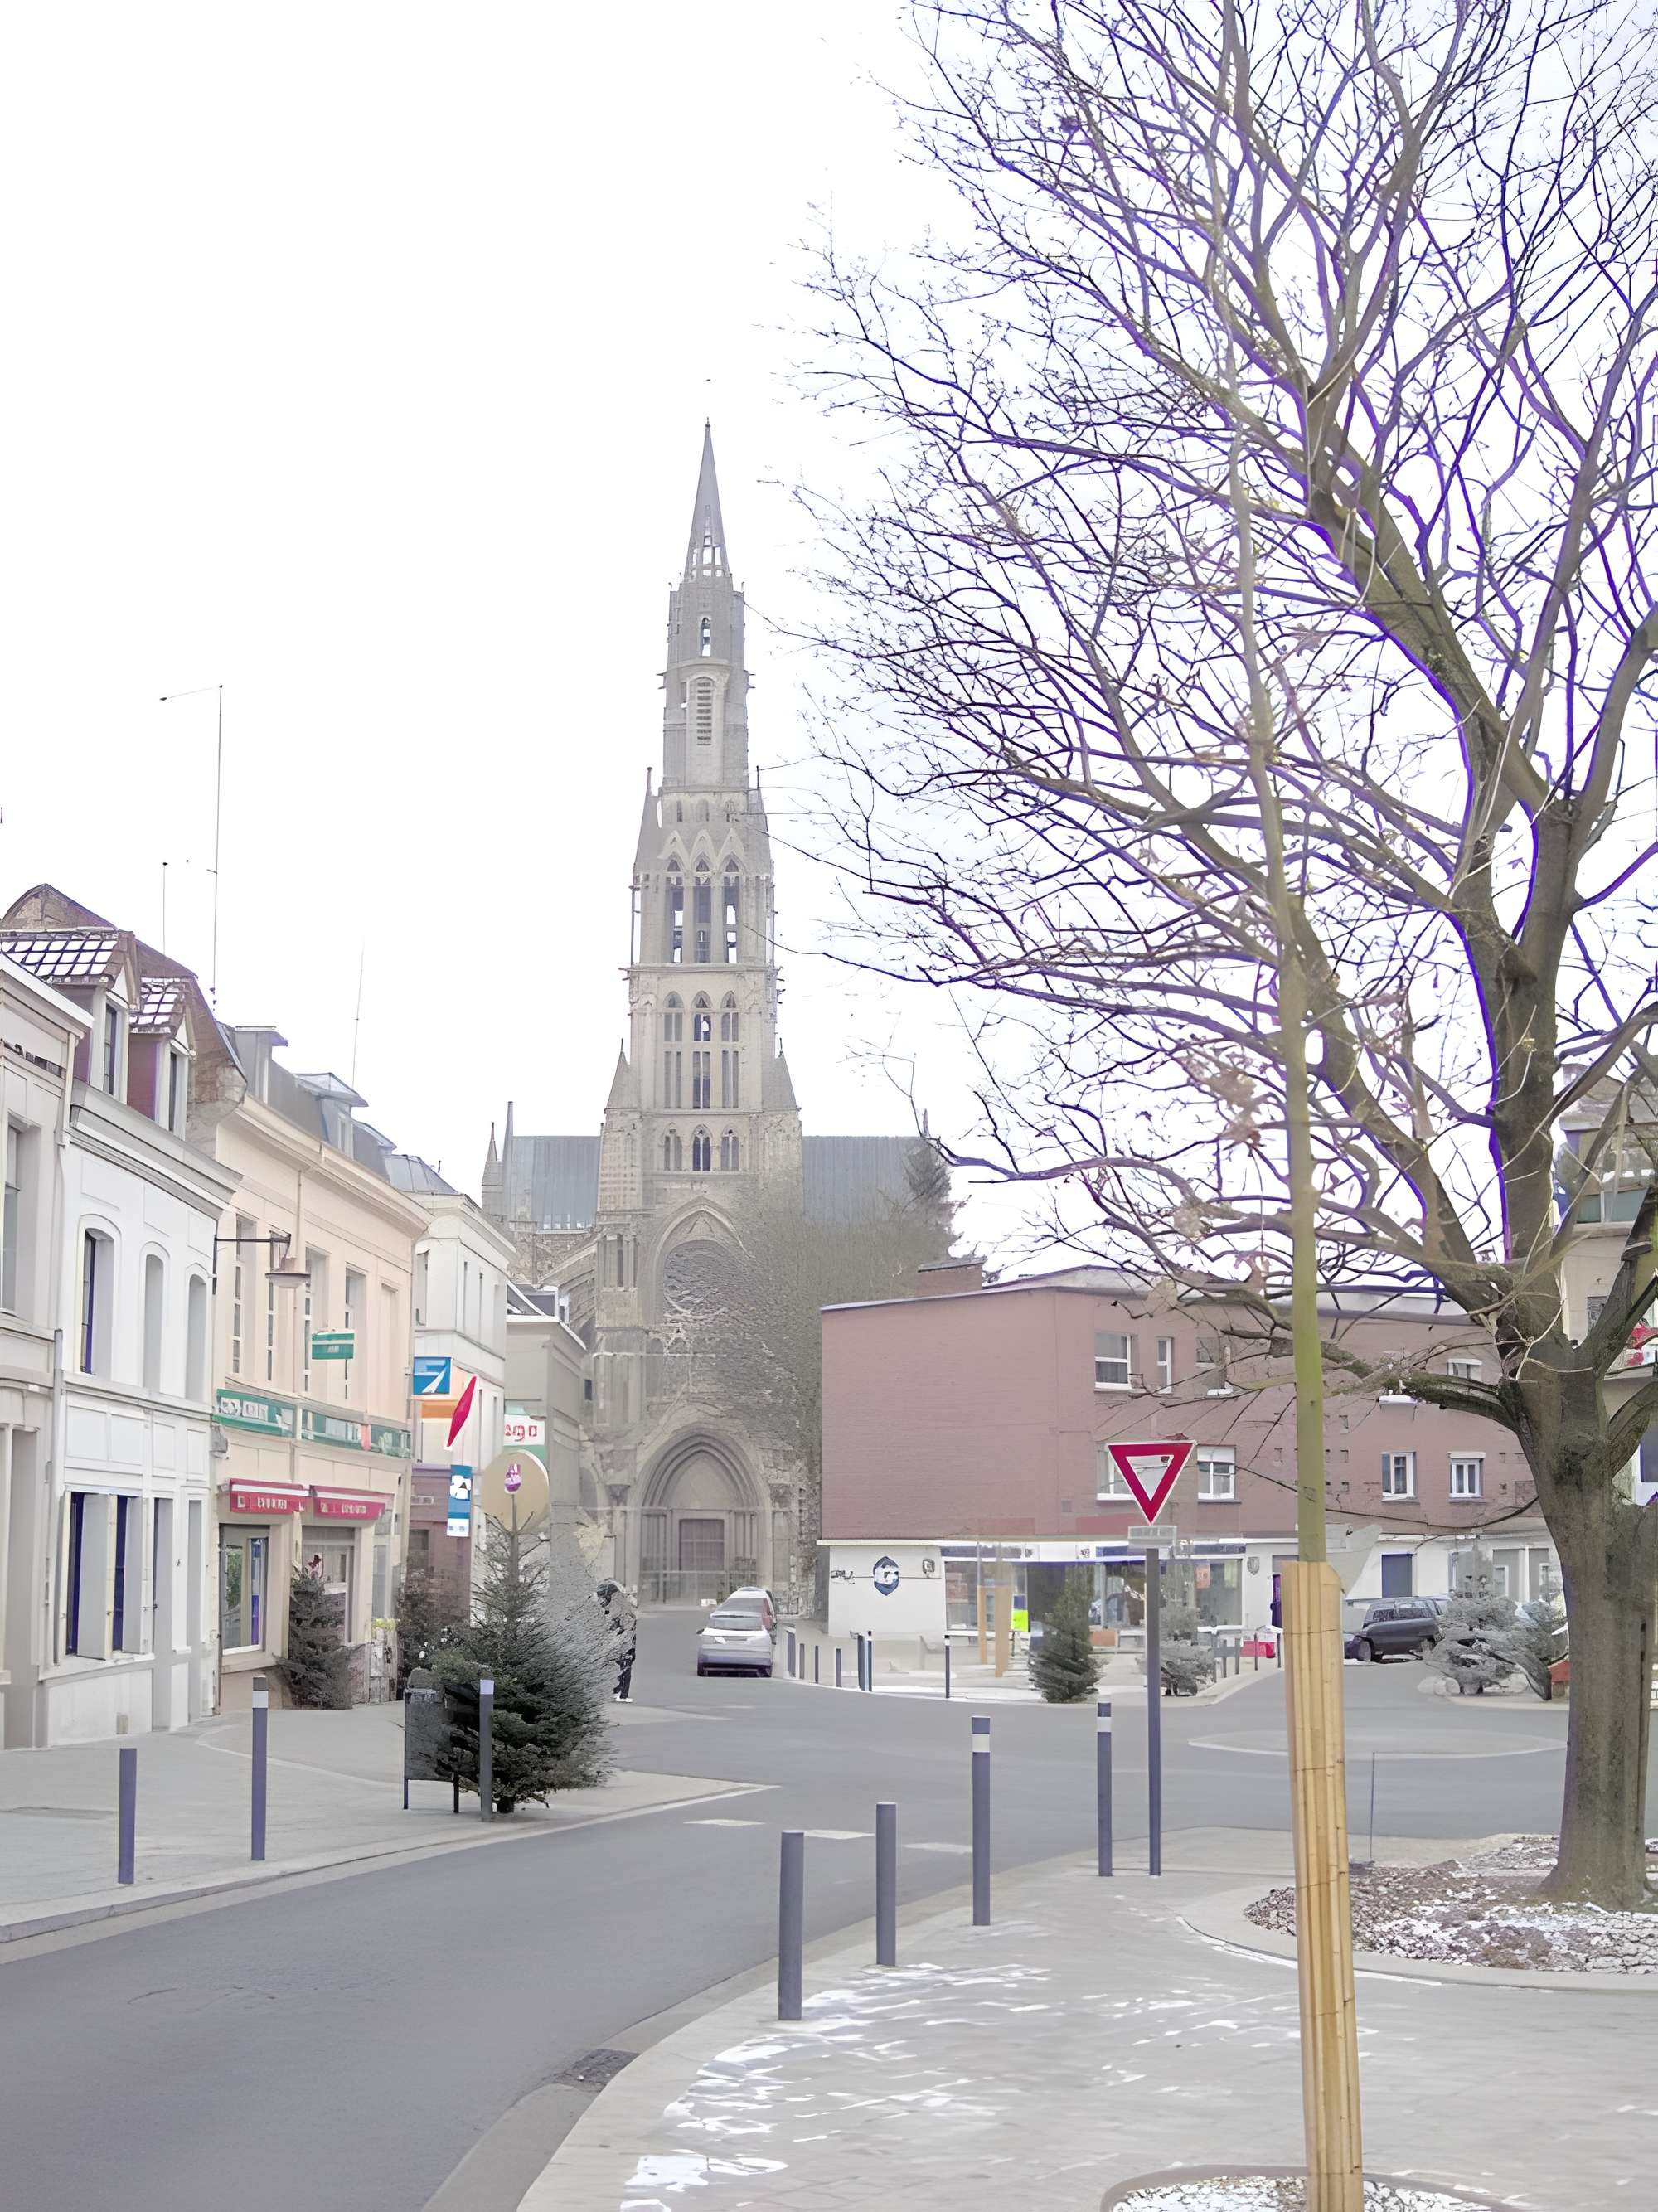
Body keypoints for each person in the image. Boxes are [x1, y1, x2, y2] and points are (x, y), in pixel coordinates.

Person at [597, 1580, 638, 1702]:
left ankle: (620, 1694)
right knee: (623, 1667)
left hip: (625, 1641)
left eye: (603, 1596)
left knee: (624, 1666)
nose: (602, 1600)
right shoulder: (618, 1603)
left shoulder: (618, 1604)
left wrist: (614, 1630)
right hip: (624, 1640)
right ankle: (619, 1693)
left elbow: (624, 1624)